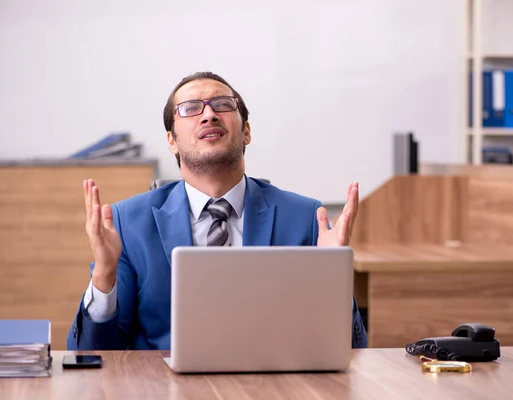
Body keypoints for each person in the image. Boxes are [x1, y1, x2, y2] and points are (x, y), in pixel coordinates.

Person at [67, 71, 367, 350]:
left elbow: (351, 351)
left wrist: (334, 277)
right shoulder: (129, 222)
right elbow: (94, 354)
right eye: (190, 108)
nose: (209, 114)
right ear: (171, 141)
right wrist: (104, 274)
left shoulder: (305, 218)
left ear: (246, 131)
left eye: (223, 104)